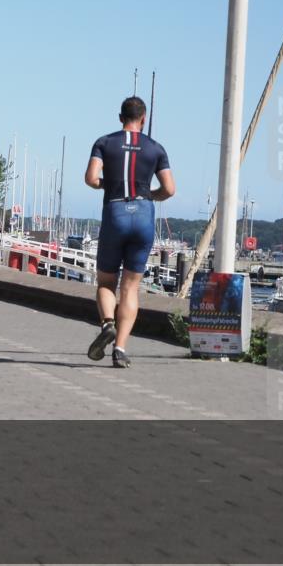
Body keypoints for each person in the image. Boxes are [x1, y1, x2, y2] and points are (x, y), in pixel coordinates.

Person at [85, 96, 175, 368]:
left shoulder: (104, 142)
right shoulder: (156, 148)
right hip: (143, 215)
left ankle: (107, 324)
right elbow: (169, 189)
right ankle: (120, 349)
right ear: (143, 118)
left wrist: (109, 184)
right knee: (131, 287)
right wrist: (149, 195)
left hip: (115, 212)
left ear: (120, 117)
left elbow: (91, 179)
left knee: (106, 282)